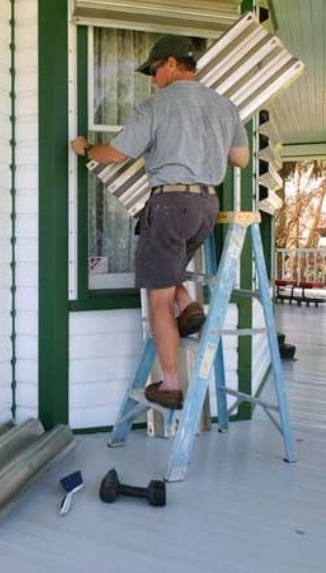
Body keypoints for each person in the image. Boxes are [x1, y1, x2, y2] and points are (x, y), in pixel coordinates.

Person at [70, 35, 250, 410]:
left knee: (157, 300)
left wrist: (85, 149)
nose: (152, 79)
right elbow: (241, 160)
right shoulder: (225, 106)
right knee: (170, 275)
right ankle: (187, 304)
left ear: (171, 63)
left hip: (169, 206)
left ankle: (169, 385)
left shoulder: (157, 106)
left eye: (154, 70)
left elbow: (116, 153)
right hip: (205, 207)